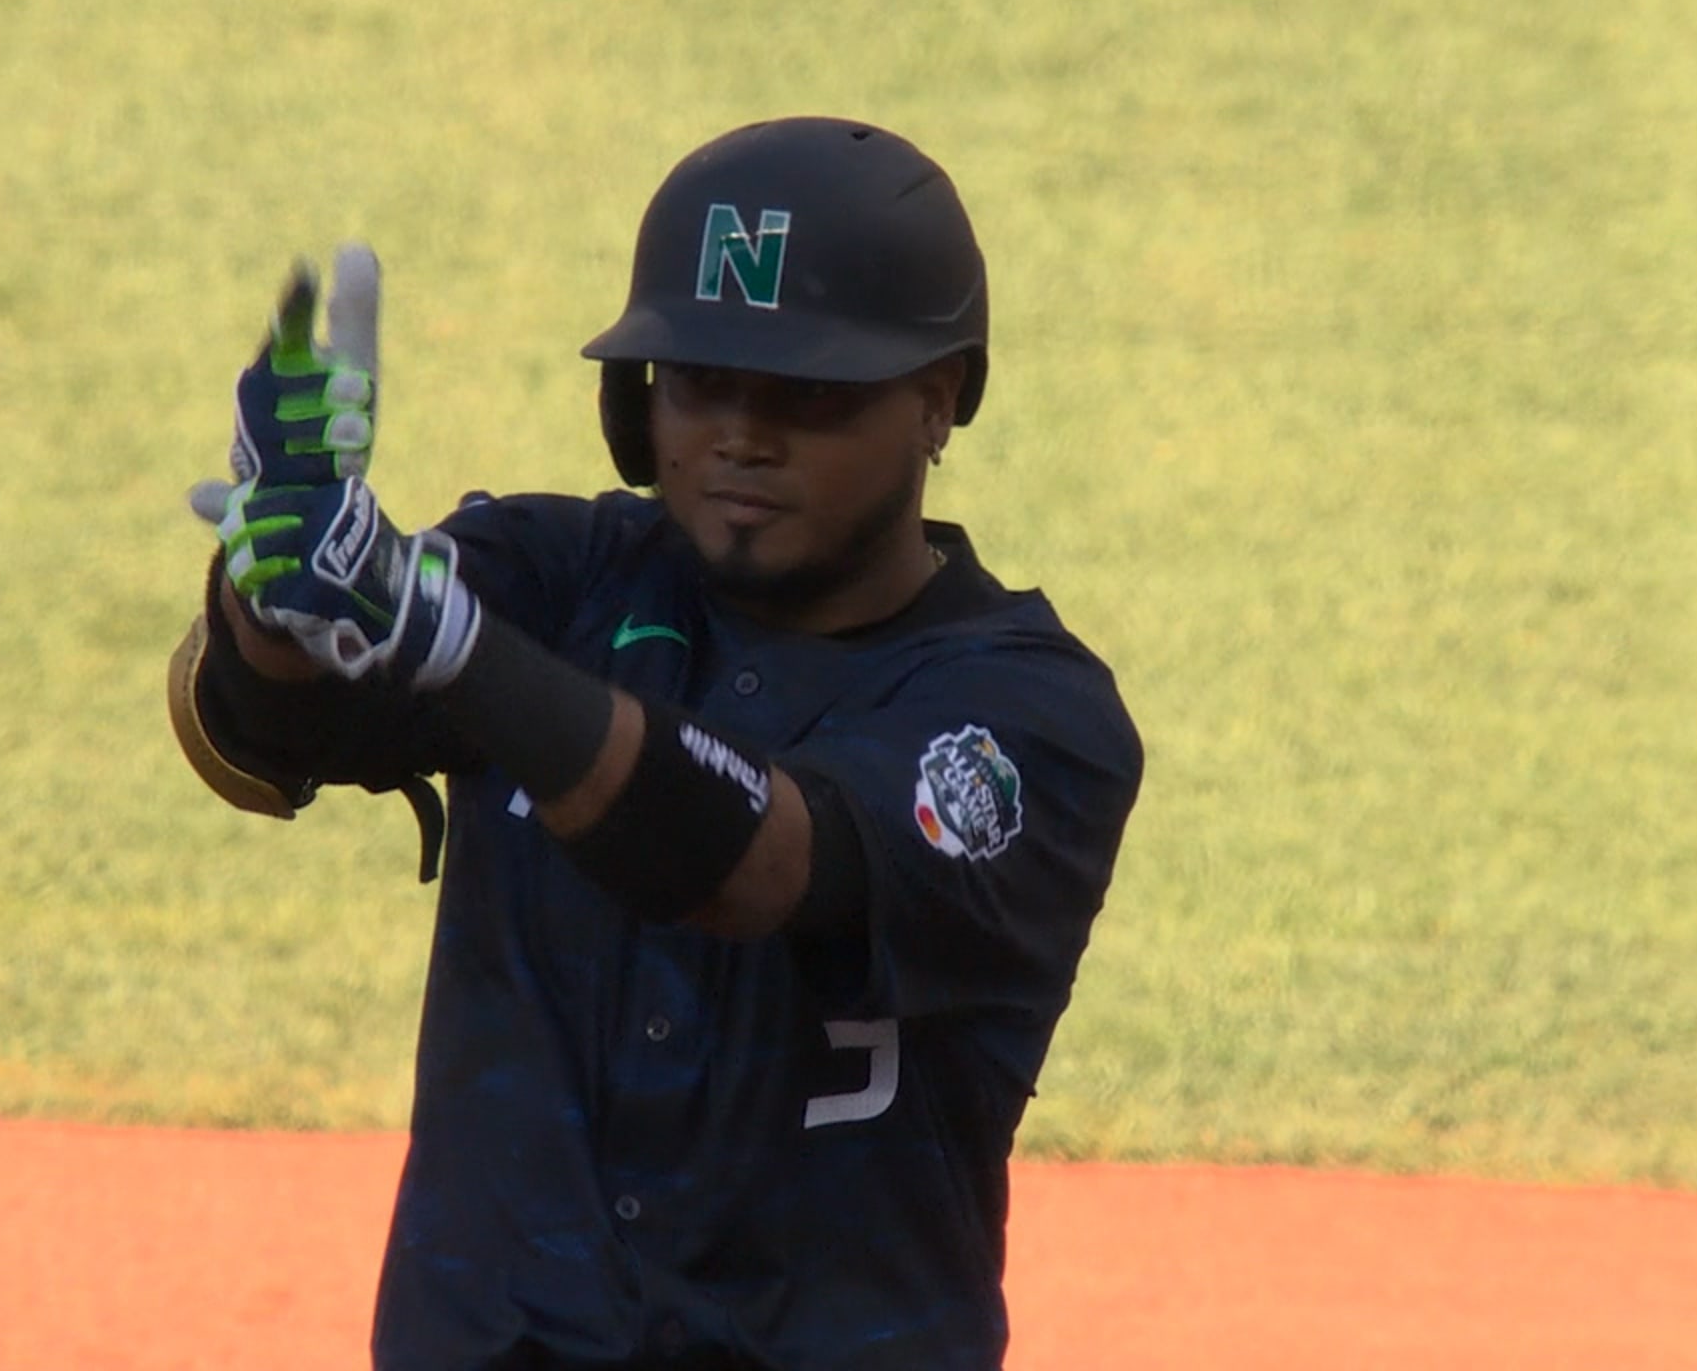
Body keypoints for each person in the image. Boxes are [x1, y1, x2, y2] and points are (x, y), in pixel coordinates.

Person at [167, 115, 1144, 1371]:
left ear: (938, 398)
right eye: (699, 383)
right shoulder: (556, 574)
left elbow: (759, 864)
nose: (741, 434)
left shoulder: (1022, 722)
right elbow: (276, 730)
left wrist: (455, 649)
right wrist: (278, 589)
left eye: (808, 393)